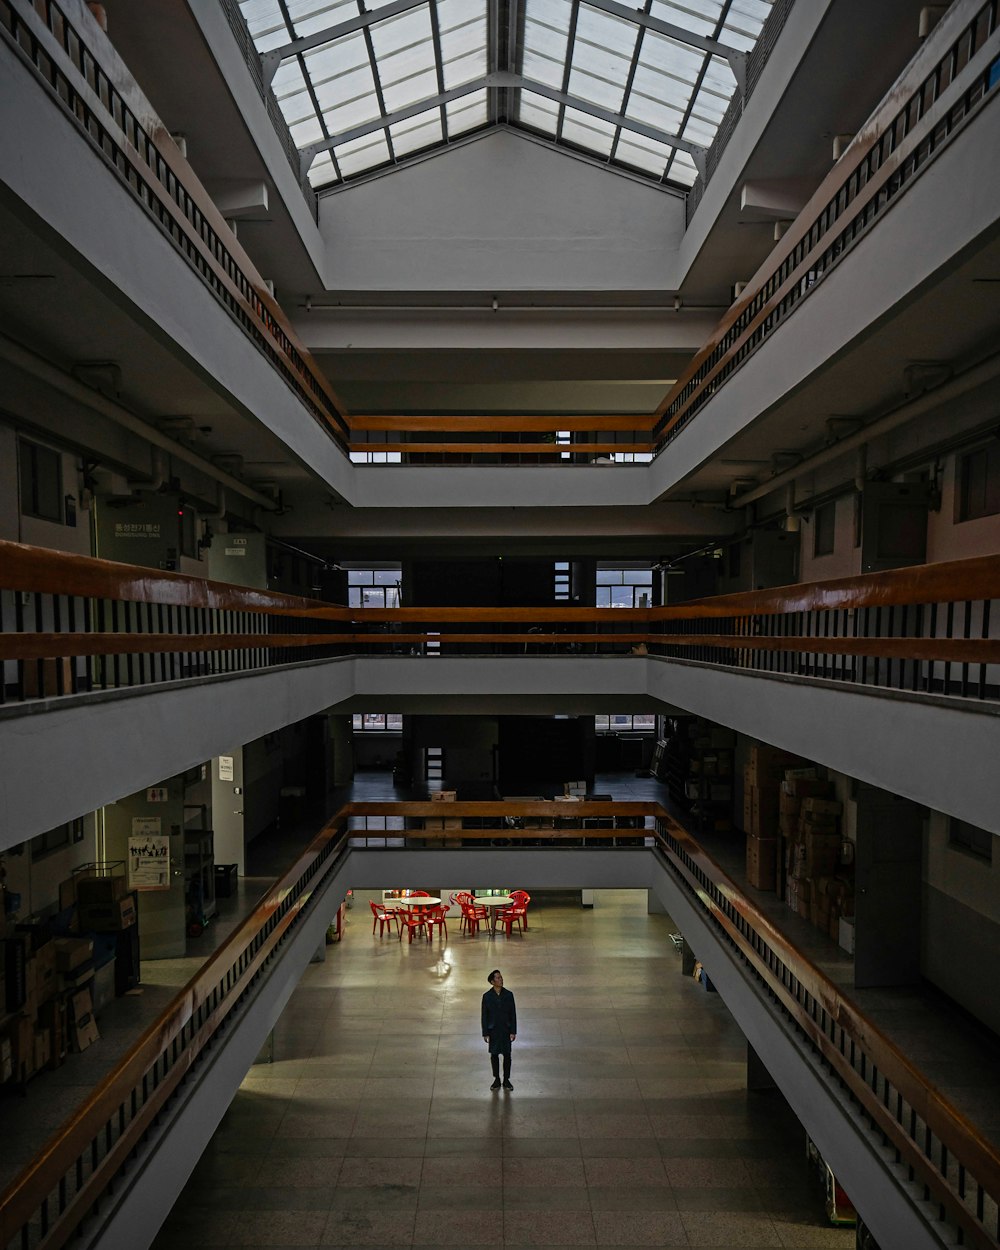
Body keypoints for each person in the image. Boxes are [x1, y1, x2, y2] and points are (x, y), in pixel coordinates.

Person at [481, 969, 517, 1090]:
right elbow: (484, 1015)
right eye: (498, 978)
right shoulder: (487, 997)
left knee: (507, 1055)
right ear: (492, 981)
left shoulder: (508, 995)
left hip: (505, 1030)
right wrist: (485, 1032)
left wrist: (513, 1031)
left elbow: (513, 1014)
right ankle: (496, 1078)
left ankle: (506, 1079)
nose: (501, 979)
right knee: (494, 1055)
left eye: (501, 977)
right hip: (494, 1030)